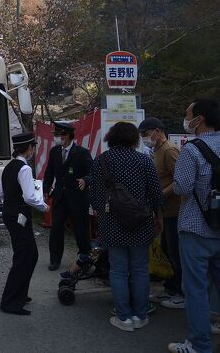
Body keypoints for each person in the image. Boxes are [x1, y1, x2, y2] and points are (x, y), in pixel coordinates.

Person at [89, 122, 162, 332]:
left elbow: (93, 196)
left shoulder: (101, 161)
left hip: (112, 223)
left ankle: (124, 318)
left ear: (110, 138)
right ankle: (140, 315)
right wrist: (159, 219)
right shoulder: (143, 160)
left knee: (118, 270)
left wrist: (102, 213)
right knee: (140, 269)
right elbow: (156, 194)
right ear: (134, 139)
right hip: (140, 222)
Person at [168, 98, 220, 353]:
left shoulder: (192, 150)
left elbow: (182, 187)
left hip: (196, 228)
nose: (185, 117)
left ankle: (199, 344)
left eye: (188, 113)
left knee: (196, 289)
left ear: (199, 119)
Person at [0, 132, 50, 315]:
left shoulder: (10, 166)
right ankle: (11, 302)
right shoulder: (25, 169)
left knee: (29, 254)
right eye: (33, 147)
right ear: (29, 148)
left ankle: (20, 293)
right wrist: (45, 207)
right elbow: (29, 197)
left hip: (9, 214)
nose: (33, 150)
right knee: (24, 257)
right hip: (20, 216)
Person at [138, 117, 184, 310]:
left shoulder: (169, 150)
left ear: (157, 131)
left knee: (175, 252)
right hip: (163, 212)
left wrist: (160, 195)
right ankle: (170, 286)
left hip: (173, 211)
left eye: (146, 134)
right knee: (166, 250)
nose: (144, 138)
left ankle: (180, 293)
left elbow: (179, 181)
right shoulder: (155, 151)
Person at [43, 121, 93, 271]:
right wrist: (45, 190)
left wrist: (85, 179)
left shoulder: (82, 152)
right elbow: (49, 172)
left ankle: (84, 257)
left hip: (78, 197)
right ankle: (55, 259)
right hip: (60, 196)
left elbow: (92, 171)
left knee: (81, 229)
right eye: (57, 135)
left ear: (70, 135)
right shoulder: (54, 151)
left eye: (62, 134)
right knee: (56, 228)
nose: (59, 137)